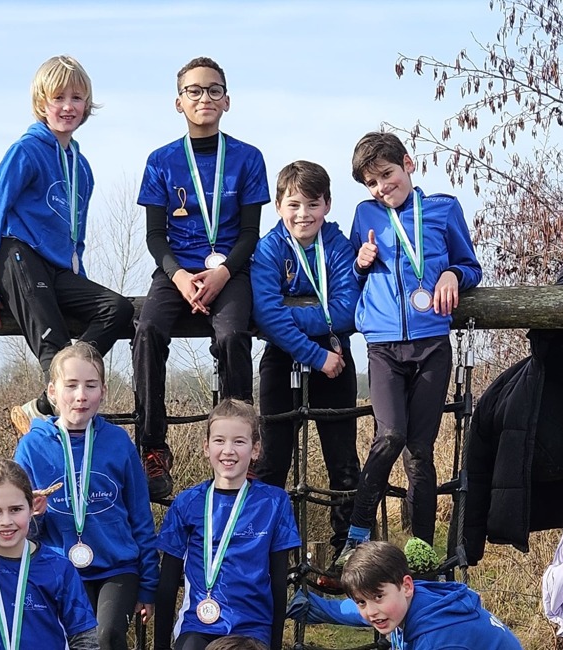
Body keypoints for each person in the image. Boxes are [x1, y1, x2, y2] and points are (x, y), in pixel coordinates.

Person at [336, 131, 482, 567]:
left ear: (408, 163)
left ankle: (421, 552)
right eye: (371, 182)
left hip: (432, 345)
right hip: (383, 346)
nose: (382, 187)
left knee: (419, 452)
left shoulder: (443, 209)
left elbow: (470, 265)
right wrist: (360, 263)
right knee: (391, 435)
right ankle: (356, 536)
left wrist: (453, 274)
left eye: (387, 174)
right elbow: (350, 278)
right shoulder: (365, 215)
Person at [0, 54, 133, 433]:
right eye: (58, 98)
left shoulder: (82, 167)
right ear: (42, 103)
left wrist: (80, 285)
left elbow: (76, 236)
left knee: (119, 309)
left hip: (58, 271)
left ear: (87, 105)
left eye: (76, 98)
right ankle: (57, 435)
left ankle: (43, 405)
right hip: (18, 258)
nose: (68, 106)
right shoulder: (26, 152)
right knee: (56, 351)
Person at [134, 56, 270, 499]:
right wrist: (177, 276)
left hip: (229, 271)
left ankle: (240, 448)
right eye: (193, 90)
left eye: (213, 90)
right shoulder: (160, 160)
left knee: (231, 337)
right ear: (179, 102)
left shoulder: (248, 158)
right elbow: (155, 236)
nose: (204, 97)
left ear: (227, 101)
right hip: (176, 272)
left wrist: (223, 273)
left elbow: (250, 233)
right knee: (147, 330)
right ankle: (153, 448)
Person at [250, 160, 360, 591]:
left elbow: (347, 311)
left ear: (327, 205)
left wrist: (293, 315)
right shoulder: (268, 249)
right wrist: (314, 351)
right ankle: (262, 555)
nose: (303, 214)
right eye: (294, 204)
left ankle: (347, 557)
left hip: (338, 359)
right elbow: (266, 314)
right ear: (278, 206)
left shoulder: (339, 246)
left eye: (312, 204)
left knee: (343, 462)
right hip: (287, 359)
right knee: (271, 462)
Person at [14, 341, 159, 650]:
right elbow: (20, 527)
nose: (81, 395)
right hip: (59, 567)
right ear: (52, 392)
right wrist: (34, 515)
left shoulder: (118, 442)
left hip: (117, 568)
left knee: (106, 637)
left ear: (103, 391)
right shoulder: (31, 447)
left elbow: (141, 516)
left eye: (91, 385)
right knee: (74, 641)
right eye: (71, 385)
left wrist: (148, 586)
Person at [155, 399, 300, 650]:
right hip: (199, 626)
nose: (228, 450)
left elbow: (279, 583)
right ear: (206, 447)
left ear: (255, 449)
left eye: (239, 442)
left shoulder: (274, 502)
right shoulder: (186, 503)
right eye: (219, 440)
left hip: (252, 628)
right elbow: (168, 581)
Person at [0, 458, 99, 649]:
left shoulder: (59, 569)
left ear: (31, 508)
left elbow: (84, 639)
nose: (6, 521)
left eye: (15, 509)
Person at [341, 541, 522, 649]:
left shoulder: (435, 641)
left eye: (378, 597)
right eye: (361, 602)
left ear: (406, 586)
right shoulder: (417, 600)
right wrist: (324, 608)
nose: (371, 611)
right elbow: (350, 609)